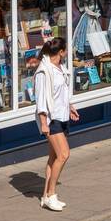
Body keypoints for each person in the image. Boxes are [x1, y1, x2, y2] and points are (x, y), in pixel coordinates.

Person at [35, 37, 79, 211]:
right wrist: (44, 123)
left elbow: (62, 92)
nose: (67, 53)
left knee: (53, 157)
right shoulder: (43, 72)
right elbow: (40, 100)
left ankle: (46, 196)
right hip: (51, 120)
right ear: (60, 52)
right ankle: (52, 194)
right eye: (66, 50)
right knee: (64, 154)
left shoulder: (60, 68)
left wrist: (70, 107)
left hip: (62, 117)